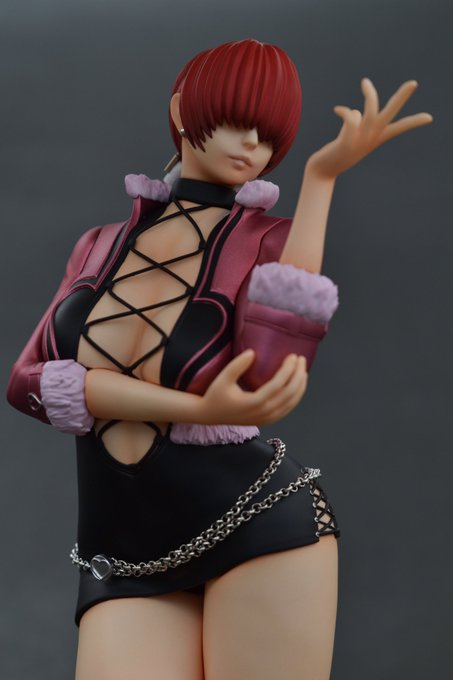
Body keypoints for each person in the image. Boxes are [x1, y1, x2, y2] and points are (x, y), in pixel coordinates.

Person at [7, 39, 432, 680]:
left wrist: (321, 179)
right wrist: (195, 407)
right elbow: (27, 383)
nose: (251, 144)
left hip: (254, 524)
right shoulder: (97, 245)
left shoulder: (266, 240)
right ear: (183, 110)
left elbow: (267, 376)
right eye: (236, 120)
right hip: (125, 555)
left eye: (270, 135)